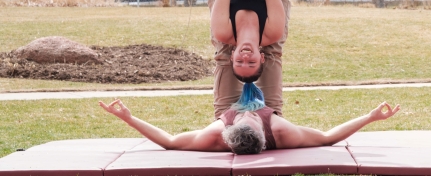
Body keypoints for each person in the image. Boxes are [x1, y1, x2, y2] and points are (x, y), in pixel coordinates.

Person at [99, 94, 400, 154]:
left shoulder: (216, 136)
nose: (247, 111)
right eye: (248, 116)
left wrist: (127, 117)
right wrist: (371, 117)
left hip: (227, 109)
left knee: (239, 55)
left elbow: (170, 141)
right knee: (257, 55)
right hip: (270, 114)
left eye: (248, 115)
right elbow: (326, 137)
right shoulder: (279, 131)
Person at [207, 0, 294, 118]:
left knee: (221, 43)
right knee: (275, 44)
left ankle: (223, 121)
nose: (245, 57)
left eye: (239, 60)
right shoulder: (271, 32)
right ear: (260, 57)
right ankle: (274, 120)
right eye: (252, 61)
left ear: (233, 56)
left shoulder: (224, 32)